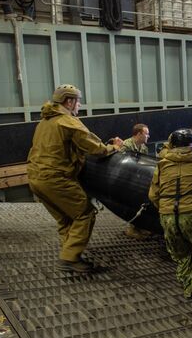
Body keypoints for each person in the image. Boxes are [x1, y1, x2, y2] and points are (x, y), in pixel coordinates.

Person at [27, 84, 122, 273]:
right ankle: (69, 259)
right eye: (78, 101)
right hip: (56, 178)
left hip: (35, 178)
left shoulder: (44, 122)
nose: (79, 105)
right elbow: (97, 149)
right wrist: (115, 147)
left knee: (65, 219)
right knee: (85, 213)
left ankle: (69, 254)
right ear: (69, 101)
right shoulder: (68, 122)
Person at [148, 128, 192, 299]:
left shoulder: (162, 164)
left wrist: (165, 210)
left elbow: (153, 195)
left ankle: (187, 282)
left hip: (167, 215)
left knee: (180, 252)